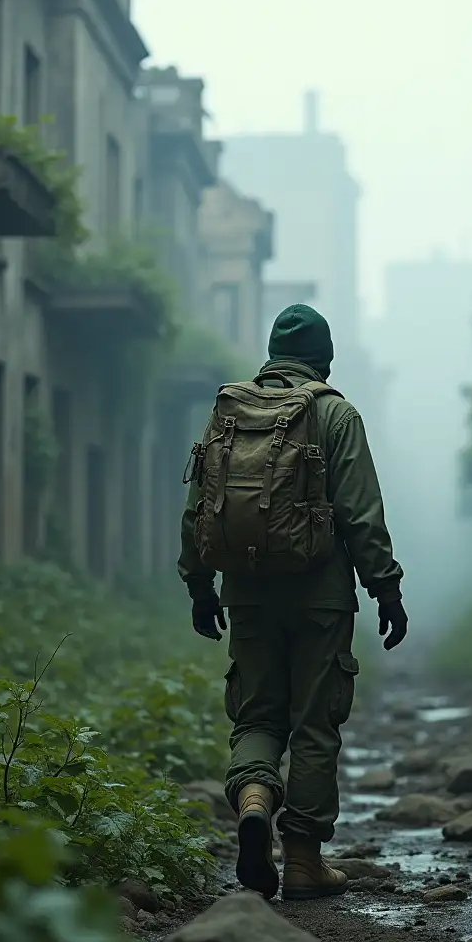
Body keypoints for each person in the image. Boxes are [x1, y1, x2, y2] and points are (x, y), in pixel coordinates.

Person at [177, 303, 407, 901]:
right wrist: (386, 587)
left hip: (248, 595)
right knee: (313, 723)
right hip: (320, 600)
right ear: (323, 358)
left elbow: (200, 506)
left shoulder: (231, 411)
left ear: (273, 354)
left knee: (256, 717)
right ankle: (303, 860)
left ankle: (254, 800)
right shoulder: (335, 413)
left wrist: (200, 587)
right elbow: (361, 513)